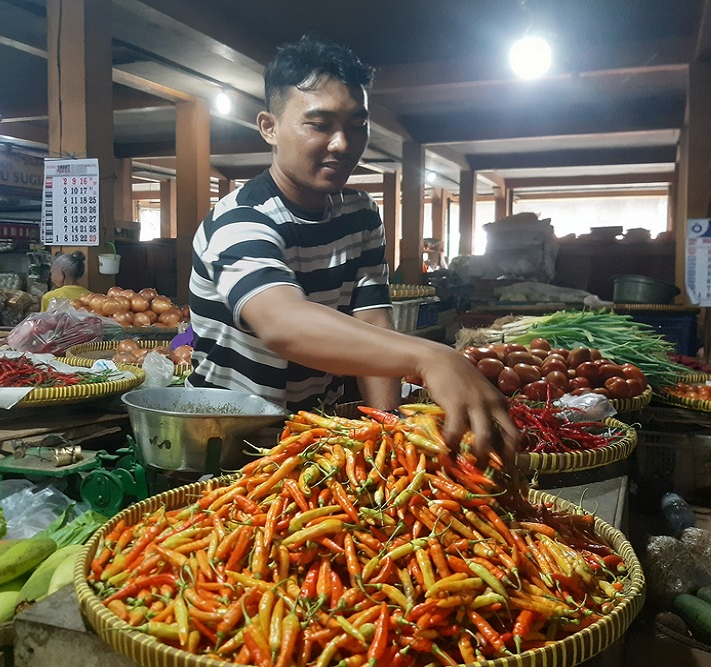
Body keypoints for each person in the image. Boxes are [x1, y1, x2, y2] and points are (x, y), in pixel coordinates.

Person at [188, 34, 519, 466]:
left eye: (357, 125)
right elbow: (282, 323)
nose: (343, 144)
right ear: (269, 127)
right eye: (319, 125)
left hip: (313, 439)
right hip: (227, 445)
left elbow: (373, 320)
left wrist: (390, 433)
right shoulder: (240, 220)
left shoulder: (359, 214)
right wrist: (428, 355)